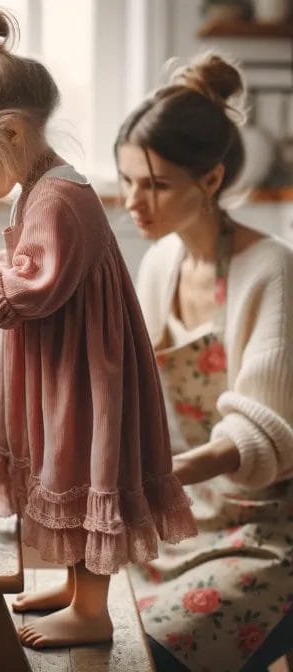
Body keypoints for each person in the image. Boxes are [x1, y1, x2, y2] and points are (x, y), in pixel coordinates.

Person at [0, 3, 197, 651]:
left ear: (11, 133)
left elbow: (33, 288)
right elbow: (29, 269)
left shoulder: (61, 198)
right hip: (62, 367)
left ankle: (92, 611)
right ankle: (75, 592)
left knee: (84, 467)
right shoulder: (41, 189)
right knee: (65, 467)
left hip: (83, 374)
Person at [115, 51, 293, 672]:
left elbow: (257, 433)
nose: (134, 201)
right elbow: (126, 387)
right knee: (106, 626)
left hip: (271, 531)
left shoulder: (271, 268)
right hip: (191, 515)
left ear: (211, 180)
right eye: (128, 179)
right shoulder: (160, 262)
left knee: (156, 650)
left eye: (157, 184)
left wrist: (160, 479)